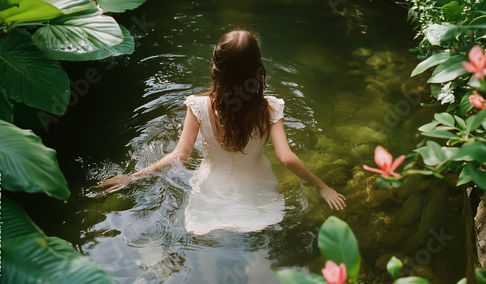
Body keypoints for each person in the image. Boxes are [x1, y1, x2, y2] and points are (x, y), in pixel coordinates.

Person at [97, 29, 346, 235]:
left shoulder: (198, 106)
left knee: (207, 240)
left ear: (217, 67)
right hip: (256, 191)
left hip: (210, 190)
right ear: (257, 68)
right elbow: (286, 158)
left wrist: (132, 177)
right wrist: (322, 186)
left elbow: (179, 156)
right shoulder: (270, 108)